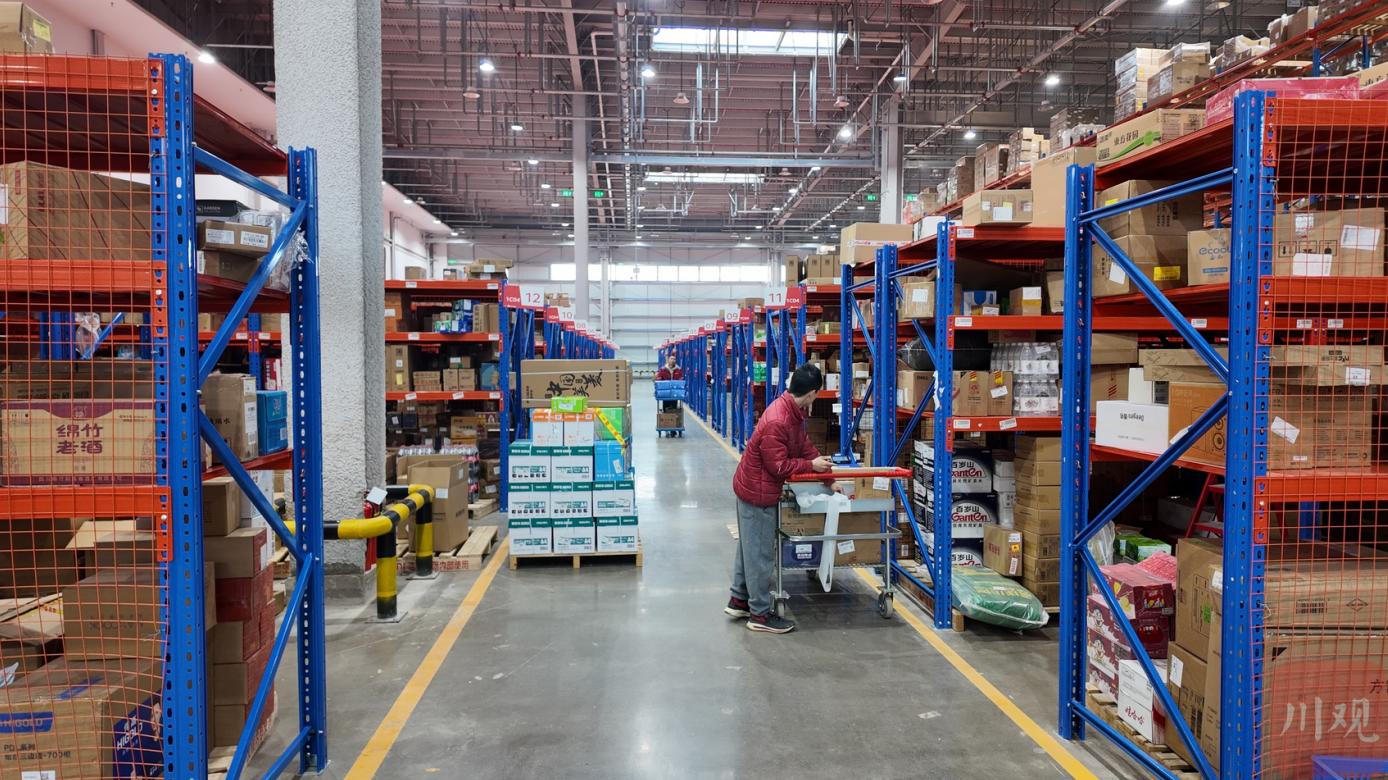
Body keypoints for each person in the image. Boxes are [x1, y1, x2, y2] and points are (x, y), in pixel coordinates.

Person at [726, 363, 842, 633]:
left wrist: (829, 478)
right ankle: (759, 615)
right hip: (757, 492)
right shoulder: (779, 419)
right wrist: (811, 466)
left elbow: (804, 446)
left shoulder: (791, 412)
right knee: (760, 555)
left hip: (755, 487)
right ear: (812, 393)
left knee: (749, 549)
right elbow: (778, 466)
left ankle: (739, 600)